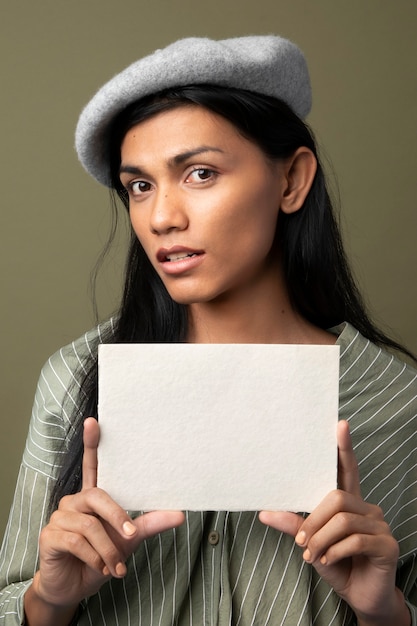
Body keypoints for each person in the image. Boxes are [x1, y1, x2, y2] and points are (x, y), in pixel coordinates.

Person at [0, 35, 416, 626]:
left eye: (199, 173)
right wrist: (49, 599)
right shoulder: (74, 381)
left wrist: (385, 611)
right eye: (139, 186)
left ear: (292, 181)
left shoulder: (398, 402)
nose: (162, 217)